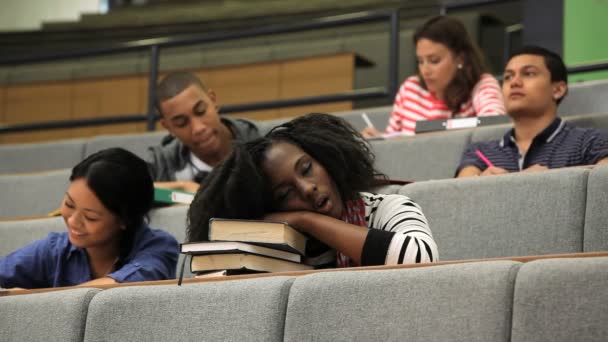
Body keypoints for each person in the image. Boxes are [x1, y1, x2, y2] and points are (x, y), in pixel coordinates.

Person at [187, 113, 438, 267]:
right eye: (285, 194)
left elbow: (420, 259)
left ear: (324, 158)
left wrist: (306, 220)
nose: (307, 188)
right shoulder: (277, 245)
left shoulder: (387, 208)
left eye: (306, 168)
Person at [0, 148, 179, 289]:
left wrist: (33, 299)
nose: (73, 221)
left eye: (90, 217)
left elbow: (124, 287)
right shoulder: (54, 250)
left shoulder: (159, 247)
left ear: (125, 220)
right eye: (69, 205)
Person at [456, 46, 608, 177]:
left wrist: (550, 182)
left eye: (528, 73)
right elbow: (461, 194)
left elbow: (602, 187)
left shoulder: (590, 142)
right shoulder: (480, 152)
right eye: (508, 77)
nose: (514, 82)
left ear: (558, 89)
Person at [362, 15, 505, 138]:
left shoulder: (482, 84)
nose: (425, 70)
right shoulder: (410, 88)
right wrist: (378, 138)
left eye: (434, 61)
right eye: (420, 61)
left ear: (460, 59)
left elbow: (494, 129)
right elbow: (392, 137)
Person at [148, 72, 261, 192]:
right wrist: (181, 187)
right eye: (181, 123)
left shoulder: (262, 140)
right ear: (168, 128)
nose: (198, 128)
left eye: (201, 111)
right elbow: (129, 189)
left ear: (213, 100)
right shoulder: (162, 163)